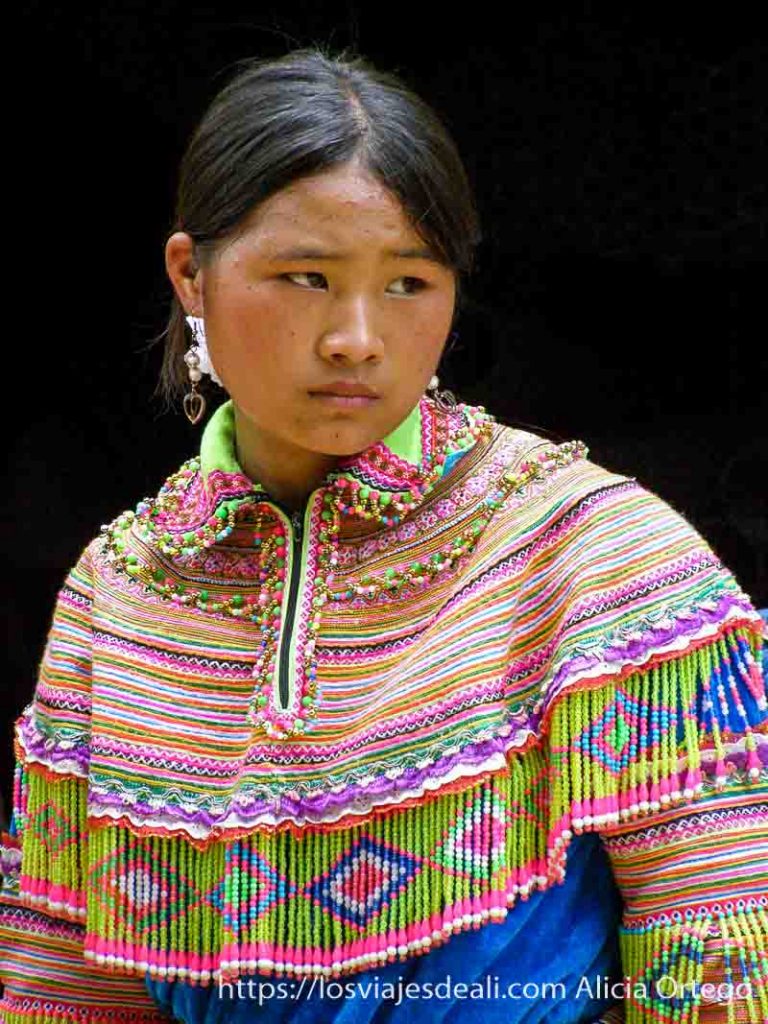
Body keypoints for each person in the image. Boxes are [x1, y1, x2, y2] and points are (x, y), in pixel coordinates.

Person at [1, 46, 765, 1024]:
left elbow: (719, 955)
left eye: (408, 282)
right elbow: (67, 990)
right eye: (305, 276)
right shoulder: (115, 597)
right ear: (191, 275)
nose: (356, 337)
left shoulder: (594, 554)